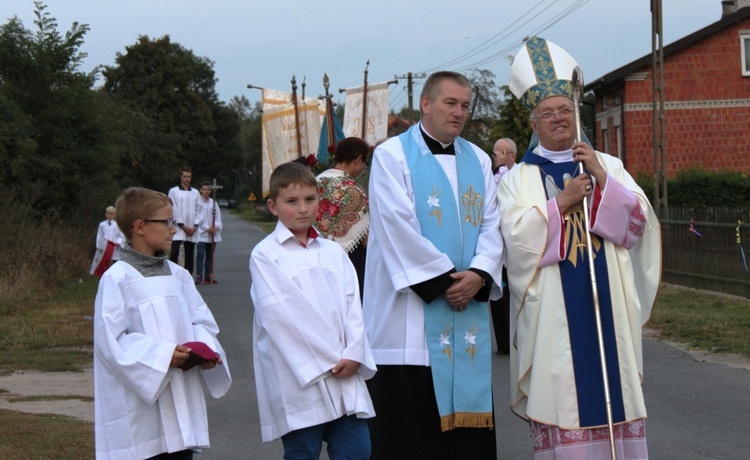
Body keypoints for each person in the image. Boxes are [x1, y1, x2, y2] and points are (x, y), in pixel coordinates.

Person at [498, 37, 661, 459]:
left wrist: (604, 181)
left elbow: (640, 224)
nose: (558, 120)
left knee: (615, 390)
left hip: (609, 304)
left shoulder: (610, 164)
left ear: (576, 115)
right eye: (547, 114)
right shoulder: (518, 178)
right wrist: (564, 201)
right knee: (565, 397)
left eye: (564, 111)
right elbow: (516, 240)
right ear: (533, 124)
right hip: (554, 311)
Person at [363, 71, 504, 459]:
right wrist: (445, 282)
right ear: (426, 104)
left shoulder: (477, 158)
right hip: (408, 323)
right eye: (450, 103)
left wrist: (479, 274)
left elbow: (493, 224)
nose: (458, 112)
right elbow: (396, 228)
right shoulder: (392, 155)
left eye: (464, 105)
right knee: (410, 438)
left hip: (465, 320)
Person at [93, 187, 231, 459]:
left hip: (180, 395)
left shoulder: (179, 276)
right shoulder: (117, 279)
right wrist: (164, 356)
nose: (173, 229)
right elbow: (112, 341)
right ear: (140, 227)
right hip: (140, 407)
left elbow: (201, 320)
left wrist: (203, 349)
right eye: (167, 222)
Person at [250, 162, 376, 459]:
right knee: (302, 451)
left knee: (357, 451)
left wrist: (355, 352)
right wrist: (334, 358)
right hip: (300, 376)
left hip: (345, 370)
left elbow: (353, 306)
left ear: (320, 200)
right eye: (292, 202)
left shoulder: (333, 252)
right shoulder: (266, 255)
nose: (303, 209)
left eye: (309, 199)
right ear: (273, 205)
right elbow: (280, 316)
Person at [316, 136, 370, 297]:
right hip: (350, 259)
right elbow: (365, 236)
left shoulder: (316, 181)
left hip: (318, 256)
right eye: (364, 163)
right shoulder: (353, 189)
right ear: (358, 159)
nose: (362, 169)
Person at [489, 137, 517, 355]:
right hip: (497, 244)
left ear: (512, 156)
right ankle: (504, 342)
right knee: (498, 294)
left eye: (501, 152)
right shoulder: (495, 175)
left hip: (515, 245)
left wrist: (500, 167)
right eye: (495, 153)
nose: (496, 157)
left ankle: (517, 336)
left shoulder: (517, 175)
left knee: (514, 294)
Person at [168, 166, 203, 275]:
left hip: (191, 227)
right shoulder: (174, 191)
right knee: (174, 252)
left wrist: (195, 226)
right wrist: (182, 225)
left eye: (189, 177)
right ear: (180, 177)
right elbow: (173, 208)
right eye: (185, 176)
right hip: (178, 227)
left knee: (189, 255)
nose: (187, 179)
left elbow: (199, 209)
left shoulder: (195, 192)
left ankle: (188, 277)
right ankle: (172, 275)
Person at [196, 182, 222, 284]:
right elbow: (197, 217)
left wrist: (215, 226)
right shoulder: (198, 203)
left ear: (210, 191)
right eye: (204, 189)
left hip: (212, 234)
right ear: (200, 190)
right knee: (200, 255)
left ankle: (208, 276)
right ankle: (199, 276)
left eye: (208, 189)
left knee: (210, 256)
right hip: (202, 233)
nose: (206, 191)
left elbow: (218, 217)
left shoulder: (213, 203)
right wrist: (207, 227)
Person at [89, 205, 125, 277]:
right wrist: (100, 246)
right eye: (108, 214)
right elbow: (99, 236)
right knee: (105, 262)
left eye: (111, 214)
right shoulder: (102, 225)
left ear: (114, 215)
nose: (110, 216)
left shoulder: (117, 225)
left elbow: (121, 236)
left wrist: (118, 242)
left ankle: (115, 275)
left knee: (115, 262)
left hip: (114, 247)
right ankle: (106, 276)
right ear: (106, 214)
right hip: (106, 248)